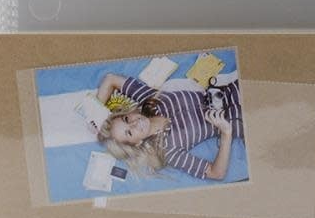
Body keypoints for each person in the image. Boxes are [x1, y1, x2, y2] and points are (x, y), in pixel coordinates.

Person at [95, 70, 244, 180]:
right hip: (241, 118)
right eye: (129, 132)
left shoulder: (148, 100)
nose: (134, 123)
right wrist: (226, 133)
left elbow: (111, 79)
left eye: (126, 119)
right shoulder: (168, 150)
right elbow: (216, 173)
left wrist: (95, 116)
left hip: (236, 87)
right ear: (137, 143)